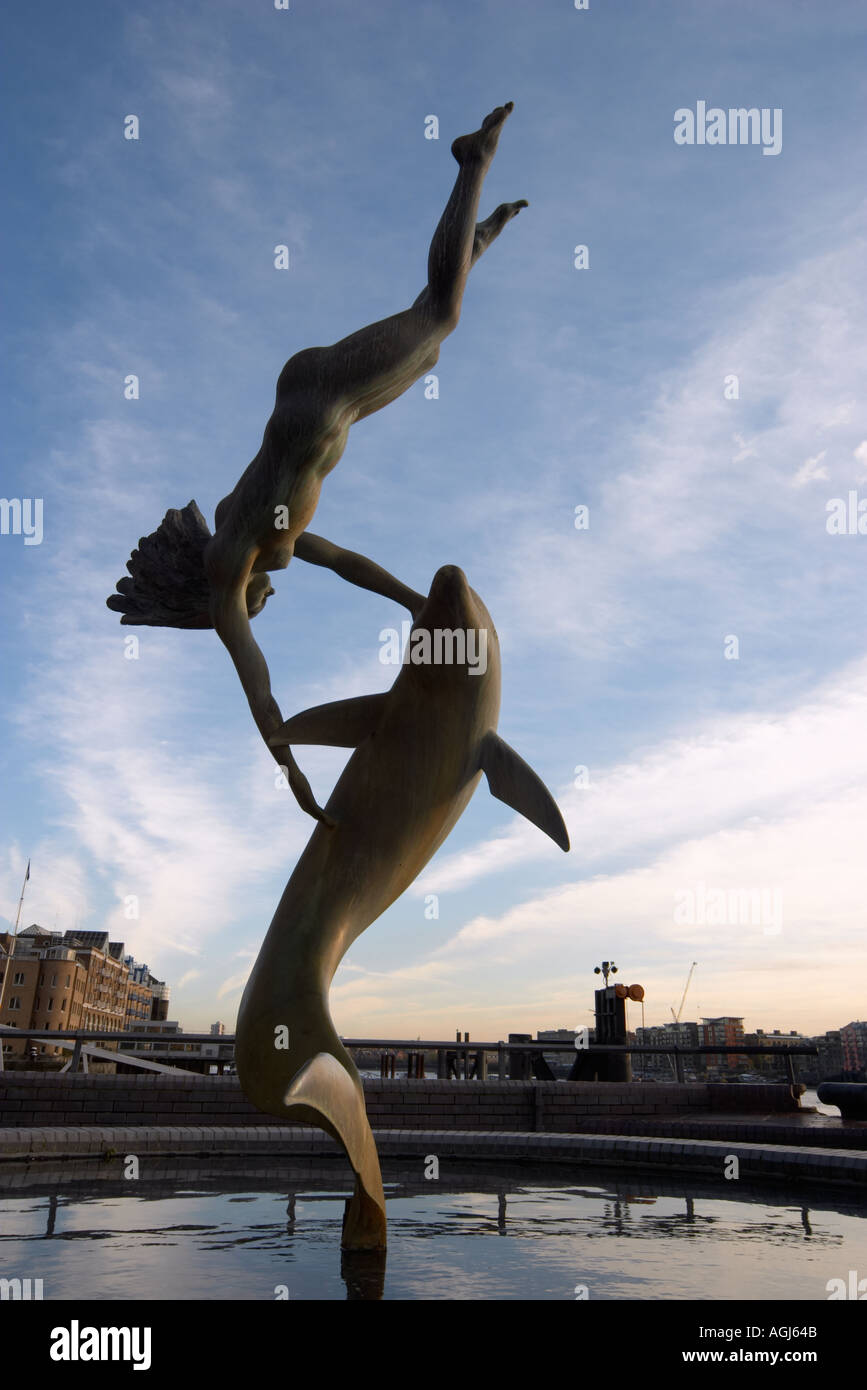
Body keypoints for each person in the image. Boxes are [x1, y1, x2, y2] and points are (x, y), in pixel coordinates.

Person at [108, 104, 526, 824]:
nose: (257, 613)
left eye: (236, 615)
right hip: (331, 409)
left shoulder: (230, 565)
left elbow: (258, 684)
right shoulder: (269, 545)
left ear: (206, 607)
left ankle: (469, 162)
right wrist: (410, 603)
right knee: (430, 335)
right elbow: (340, 560)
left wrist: (289, 764)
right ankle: (475, 239)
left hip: (318, 403)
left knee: (439, 318)